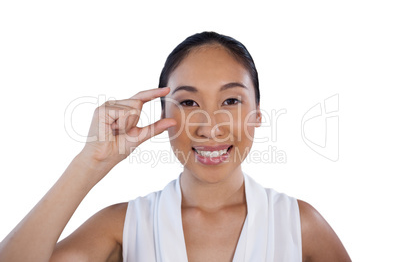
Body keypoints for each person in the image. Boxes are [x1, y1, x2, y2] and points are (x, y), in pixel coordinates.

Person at [0, 31, 351, 262]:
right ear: (162, 115)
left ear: (257, 115)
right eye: (188, 103)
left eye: (231, 101)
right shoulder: (122, 226)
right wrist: (89, 162)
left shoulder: (299, 225)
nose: (210, 126)